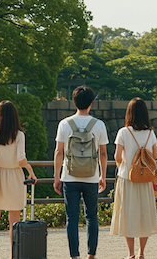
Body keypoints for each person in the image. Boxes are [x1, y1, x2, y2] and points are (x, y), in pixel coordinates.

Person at [53, 86, 108, 259]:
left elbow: (58, 152)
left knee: (72, 217)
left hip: (70, 176)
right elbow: (104, 154)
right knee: (91, 216)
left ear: (74, 102)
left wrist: (56, 177)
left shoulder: (64, 124)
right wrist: (103, 176)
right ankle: (91, 254)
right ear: (91, 103)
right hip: (91, 177)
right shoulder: (98, 125)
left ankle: (74, 255)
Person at [0, 100, 37, 259]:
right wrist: (30, 170)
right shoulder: (19, 135)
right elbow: (21, 159)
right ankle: (15, 254)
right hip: (14, 177)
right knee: (14, 220)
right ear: (15, 116)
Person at [111, 97, 157, 259]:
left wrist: (124, 167)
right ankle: (141, 253)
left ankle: (131, 253)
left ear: (129, 113)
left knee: (128, 213)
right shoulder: (150, 133)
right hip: (145, 179)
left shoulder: (123, 132)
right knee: (144, 214)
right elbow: (154, 155)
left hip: (127, 178)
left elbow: (118, 156)